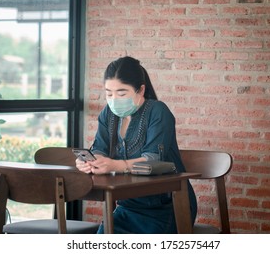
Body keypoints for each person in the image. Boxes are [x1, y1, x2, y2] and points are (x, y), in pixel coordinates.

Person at [76, 56, 197, 234]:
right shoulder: (108, 114)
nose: (114, 99)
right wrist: (91, 162)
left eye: (122, 93)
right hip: (128, 206)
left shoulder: (158, 111)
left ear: (140, 90)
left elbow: (153, 160)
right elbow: (99, 149)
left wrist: (118, 165)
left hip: (167, 206)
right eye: (109, 93)